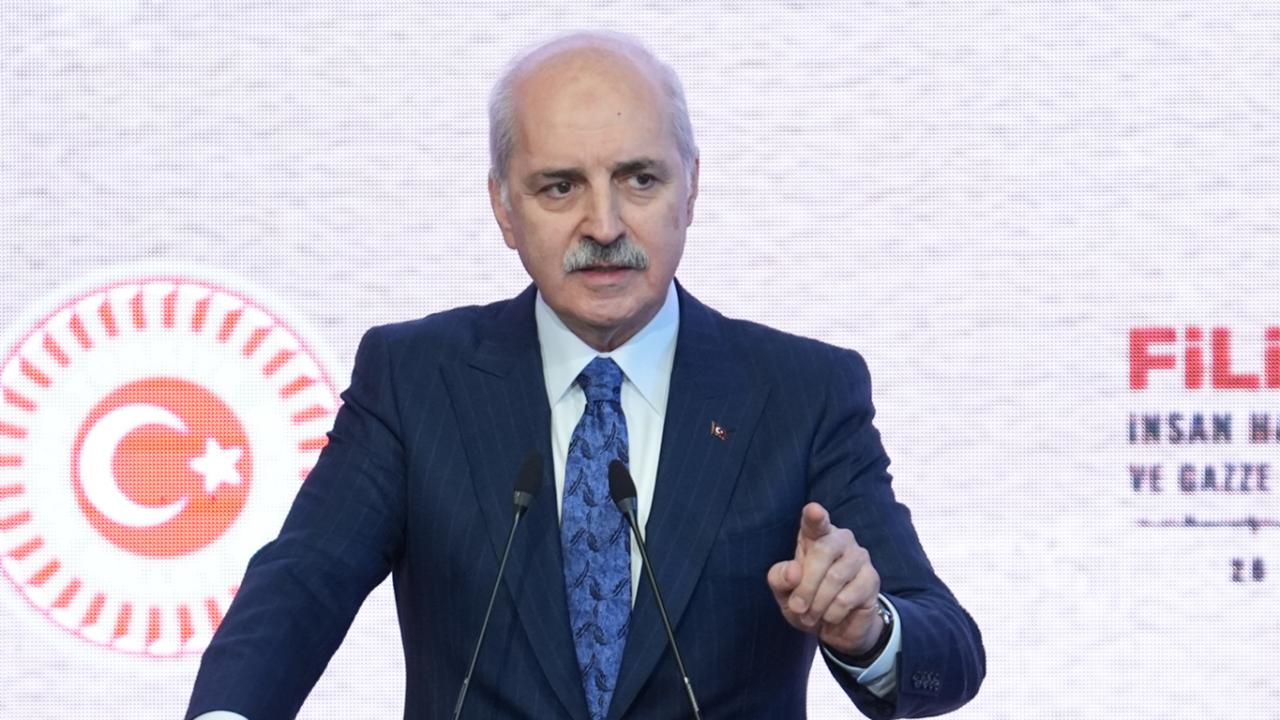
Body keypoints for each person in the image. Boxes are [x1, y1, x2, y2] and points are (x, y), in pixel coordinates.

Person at [187, 31, 984, 720]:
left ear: (691, 189)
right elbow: (303, 584)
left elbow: (947, 656)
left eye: (640, 179)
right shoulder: (416, 379)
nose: (603, 225)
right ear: (504, 207)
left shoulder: (802, 393)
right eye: (560, 186)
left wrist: (868, 631)